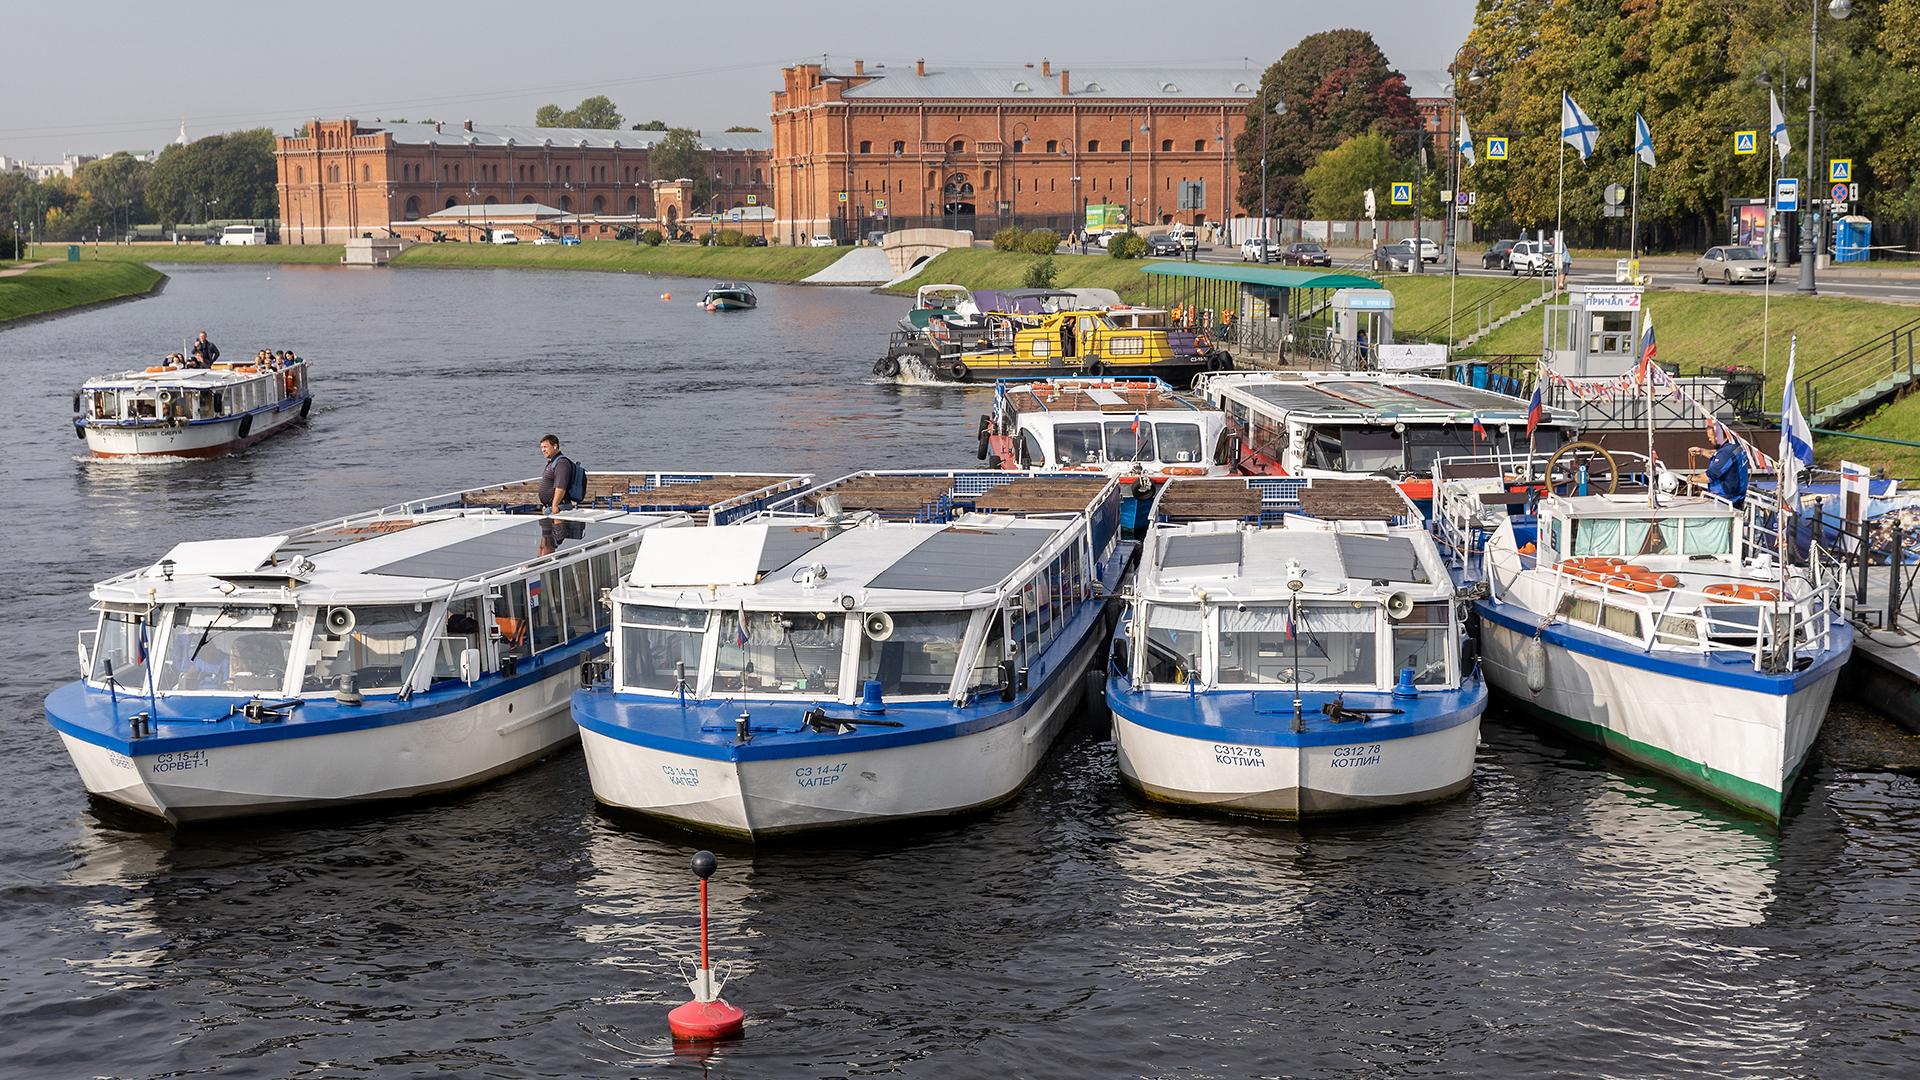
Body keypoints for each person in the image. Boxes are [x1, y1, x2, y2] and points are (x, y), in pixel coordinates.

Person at [538, 434, 576, 515]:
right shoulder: (552, 462)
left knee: (558, 528)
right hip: (550, 508)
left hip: (559, 508)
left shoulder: (561, 463)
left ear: (555, 446)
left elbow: (561, 487)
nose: (543, 450)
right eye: (541, 447)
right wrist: (545, 505)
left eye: (545, 447)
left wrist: (554, 506)